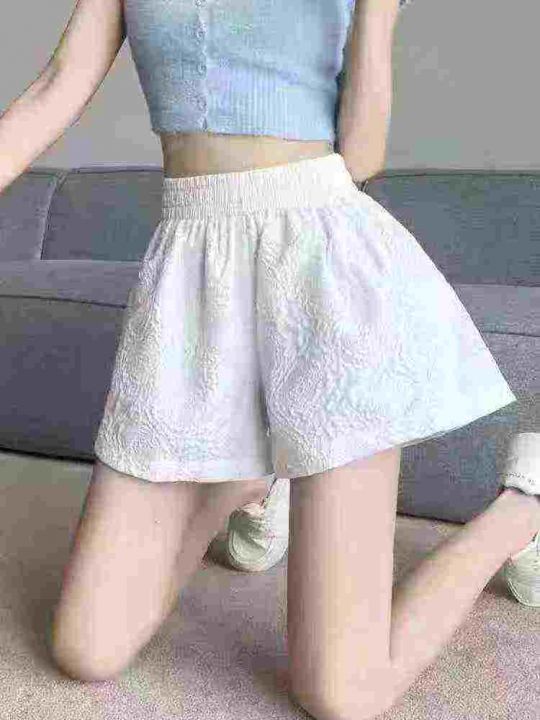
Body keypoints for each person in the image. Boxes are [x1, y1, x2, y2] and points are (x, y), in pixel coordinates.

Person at [0, 1, 538, 718]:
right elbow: (53, 87)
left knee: (339, 693)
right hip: (191, 269)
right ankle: (251, 475)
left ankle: (522, 506)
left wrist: (377, 13)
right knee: (85, 648)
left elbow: (362, 155)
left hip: (325, 271)